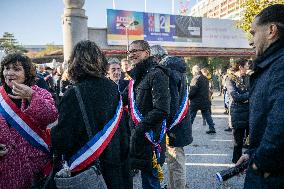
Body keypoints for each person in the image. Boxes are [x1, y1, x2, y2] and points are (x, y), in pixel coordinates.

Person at [50, 40, 132, 189]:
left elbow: (64, 137)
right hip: (117, 164)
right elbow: (122, 130)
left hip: (89, 168)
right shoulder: (113, 88)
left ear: (75, 63)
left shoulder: (74, 93)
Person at [236, 4, 284, 188]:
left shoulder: (279, 66)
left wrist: (261, 161)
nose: (251, 41)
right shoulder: (272, 64)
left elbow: (280, 121)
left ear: (272, 30)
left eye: (254, 33)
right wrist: (251, 154)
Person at [0, 53, 58, 189]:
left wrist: (32, 97)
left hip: (35, 169)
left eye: (16, 69)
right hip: (5, 171)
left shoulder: (40, 93)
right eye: (6, 68)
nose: (10, 73)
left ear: (27, 73)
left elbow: (51, 116)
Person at [124, 40, 170, 189]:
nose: (132, 54)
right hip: (138, 137)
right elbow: (121, 99)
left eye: (135, 51)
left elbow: (162, 109)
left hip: (150, 137)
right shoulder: (136, 77)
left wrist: (139, 129)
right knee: (145, 179)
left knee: (151, 181)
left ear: (147, 53)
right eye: (130, 51)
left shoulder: (157, 74)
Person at [151, 45, 192, 189]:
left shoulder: (167, 71)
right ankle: (173, 186)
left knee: (176, 161)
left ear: (156, 57)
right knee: (173, 159)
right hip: (179, 122)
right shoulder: (177, 69)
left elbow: (171, 101)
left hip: (174, 123)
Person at [225, 58, 250, 164]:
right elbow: (235, 96)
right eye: (246, 66)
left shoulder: (248, 77)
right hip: (237, 113)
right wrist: (249, 95)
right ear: (240, 67)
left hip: (249, 111)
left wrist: (245, 97)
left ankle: (249, 162)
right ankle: (236, 163)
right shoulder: (230, 79)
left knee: (251, 140)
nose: (248, 69)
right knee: (238, 142)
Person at [189, 65, 216, 134]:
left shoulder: (195, 78)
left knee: (191, 115)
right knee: (207, 115)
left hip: (195, 101)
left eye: (192, 71)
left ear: (195, 71)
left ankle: (187, 129)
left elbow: (193, 90)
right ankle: (212, 128)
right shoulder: (205, 78)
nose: (192, 72)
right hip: (205, 100)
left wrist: (189, 97)